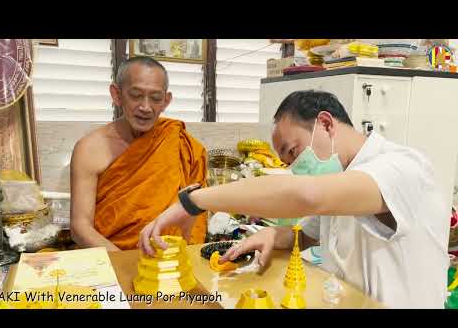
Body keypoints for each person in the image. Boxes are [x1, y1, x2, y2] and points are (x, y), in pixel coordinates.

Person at [139, 90, 450, 309]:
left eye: (293, 150)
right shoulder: (341, 176)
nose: (292, 166)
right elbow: (308, 233)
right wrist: (272, 234)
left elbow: (306, 197)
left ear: (326, 125)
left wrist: (194, 200)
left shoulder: (402, 167)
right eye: (285, 160)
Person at [70, 56, 208, 251]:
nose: (145, 107)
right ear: (117, 95)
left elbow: (194, 215)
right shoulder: (90, 148)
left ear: (166, 101)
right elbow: (80, 227)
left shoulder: (179, 143)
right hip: (111, 257)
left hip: (168, 256)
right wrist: (125, 263)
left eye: (155, 98)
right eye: (135, 95)